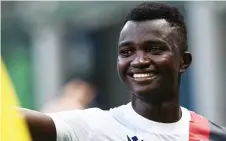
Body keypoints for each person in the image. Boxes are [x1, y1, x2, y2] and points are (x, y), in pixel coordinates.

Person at [21, 2, 226, 141]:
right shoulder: (94, 128)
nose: (139, 61)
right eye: (126, 51)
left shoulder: (212, 135)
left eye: (154, 49)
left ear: (183, 61)